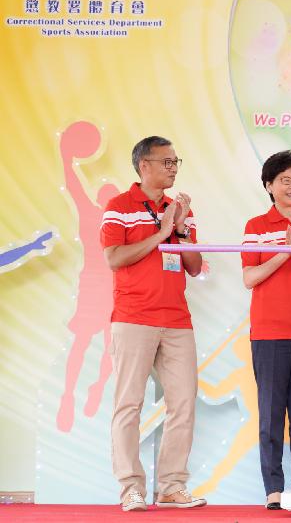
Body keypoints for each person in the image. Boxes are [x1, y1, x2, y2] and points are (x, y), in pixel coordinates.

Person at [101, 136, 205, 511]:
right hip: (133, 318)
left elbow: (193, 266)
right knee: (129, 404)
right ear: (144, 165)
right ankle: (130, 487)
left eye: (177, 161)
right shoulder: (119, 206)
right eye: (166, 161)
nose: (174, 167)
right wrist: (159, 234)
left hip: (177, 319)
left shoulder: (179, 208)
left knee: (184, 403)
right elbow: (115, 258)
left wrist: (179, 230)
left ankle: (171, 487)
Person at [242, 150, 291, 510]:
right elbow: (250, 278)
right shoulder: (256, 227)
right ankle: (274, 489)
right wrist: (284, 252)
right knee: (271, 414)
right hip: (269, 333)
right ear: (269, 186)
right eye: (286, 180)